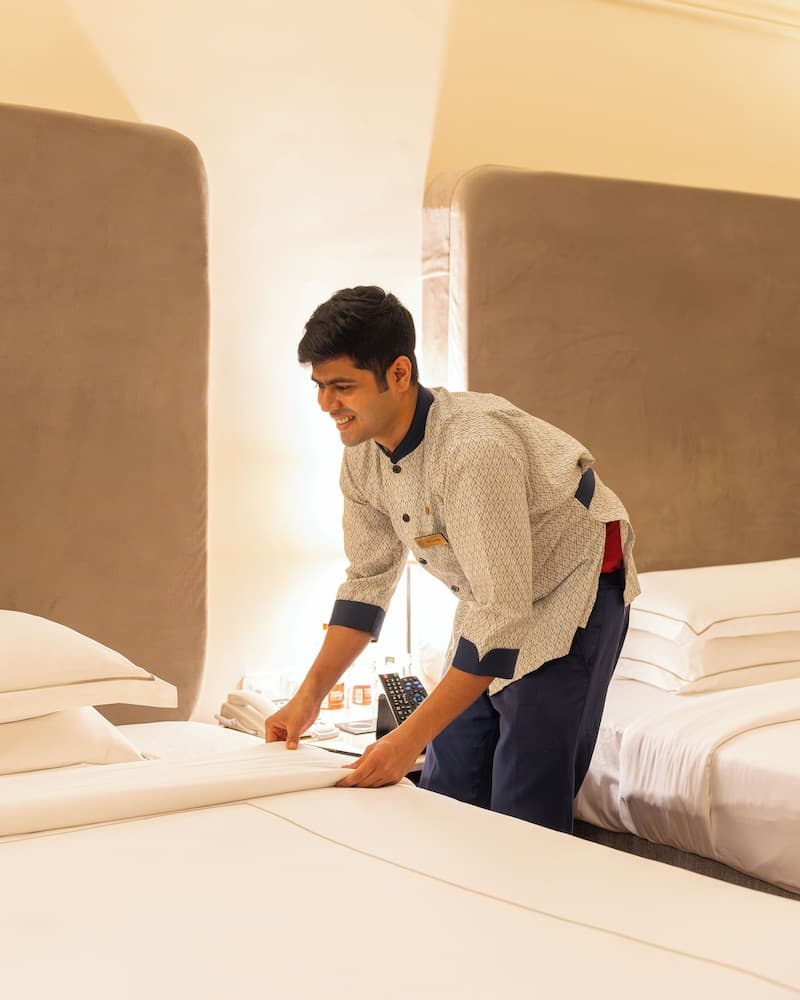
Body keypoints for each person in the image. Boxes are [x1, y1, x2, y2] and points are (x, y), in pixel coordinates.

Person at [266, 285, 640, 833]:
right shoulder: (363, 457)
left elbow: (503, 613)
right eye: (320, 386)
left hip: (572, 584)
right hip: (492, 594)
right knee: (447, 784)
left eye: (342, 387)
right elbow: (367, 581)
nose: (327, 404)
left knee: (523, 804)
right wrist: (308, 697)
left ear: (398, 373)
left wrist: (404, 743)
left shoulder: (472, 449)